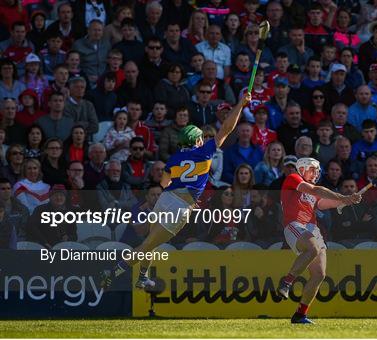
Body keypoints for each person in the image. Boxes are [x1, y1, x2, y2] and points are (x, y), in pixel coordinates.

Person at [100, 92, 252, 290]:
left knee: (150, 242)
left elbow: (164, 181)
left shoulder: (175, 158)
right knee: (147, 246)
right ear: (198, 140)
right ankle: (113, 271)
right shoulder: (205, 151)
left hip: (165, 199)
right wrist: (241, 104)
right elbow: (227, 128)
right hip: (180, 207)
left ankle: (143, 277)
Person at [277, 157, 362, 323]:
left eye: (317, 170)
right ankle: (286, 282)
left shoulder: (313, 193)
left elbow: (324, 204)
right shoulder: (294, 178)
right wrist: (341, 196)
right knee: (312, 248)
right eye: (313, 169)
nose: (316, 173)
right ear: (302, 169)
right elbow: (315, 190)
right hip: (295, 225)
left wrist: (347, 199)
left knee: (319, 274)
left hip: (311, 228)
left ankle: (300, 314)